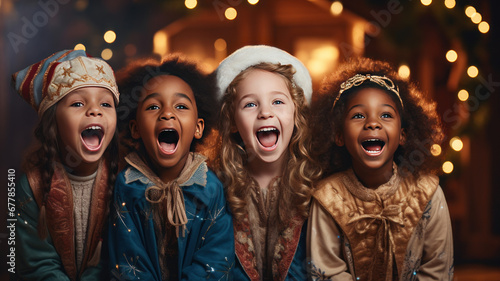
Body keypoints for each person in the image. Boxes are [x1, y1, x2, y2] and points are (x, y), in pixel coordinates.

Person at [307, 57, 454, 281]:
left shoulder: (428, 194)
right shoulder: (327, 198)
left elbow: (437, 270)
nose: (372, 123)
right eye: (358, 115)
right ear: (338, 135)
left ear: (403, 135)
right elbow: (326, 273)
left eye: (386, 115)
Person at [108, 55, 234, 280]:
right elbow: (127, 259)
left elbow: (216, 257)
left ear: (198, 127)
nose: (167, 113)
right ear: (135, 128)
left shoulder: (210, 187)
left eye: (181, 106)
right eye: (154, 106)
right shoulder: (127, 185)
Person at [214, 45, 321, 281]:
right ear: (232, 122)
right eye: (250, 104)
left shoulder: (318, 188)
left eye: (278, 102)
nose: (265, 113)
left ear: (296, 115)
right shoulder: (215, 190)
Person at [12, 49, 120, 280]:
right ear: (54, 122)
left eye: (105, 104)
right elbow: (35, 265)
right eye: (78, 104)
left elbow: (118, 259)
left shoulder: (123, 178)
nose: (94, 110)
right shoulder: (31, 185)